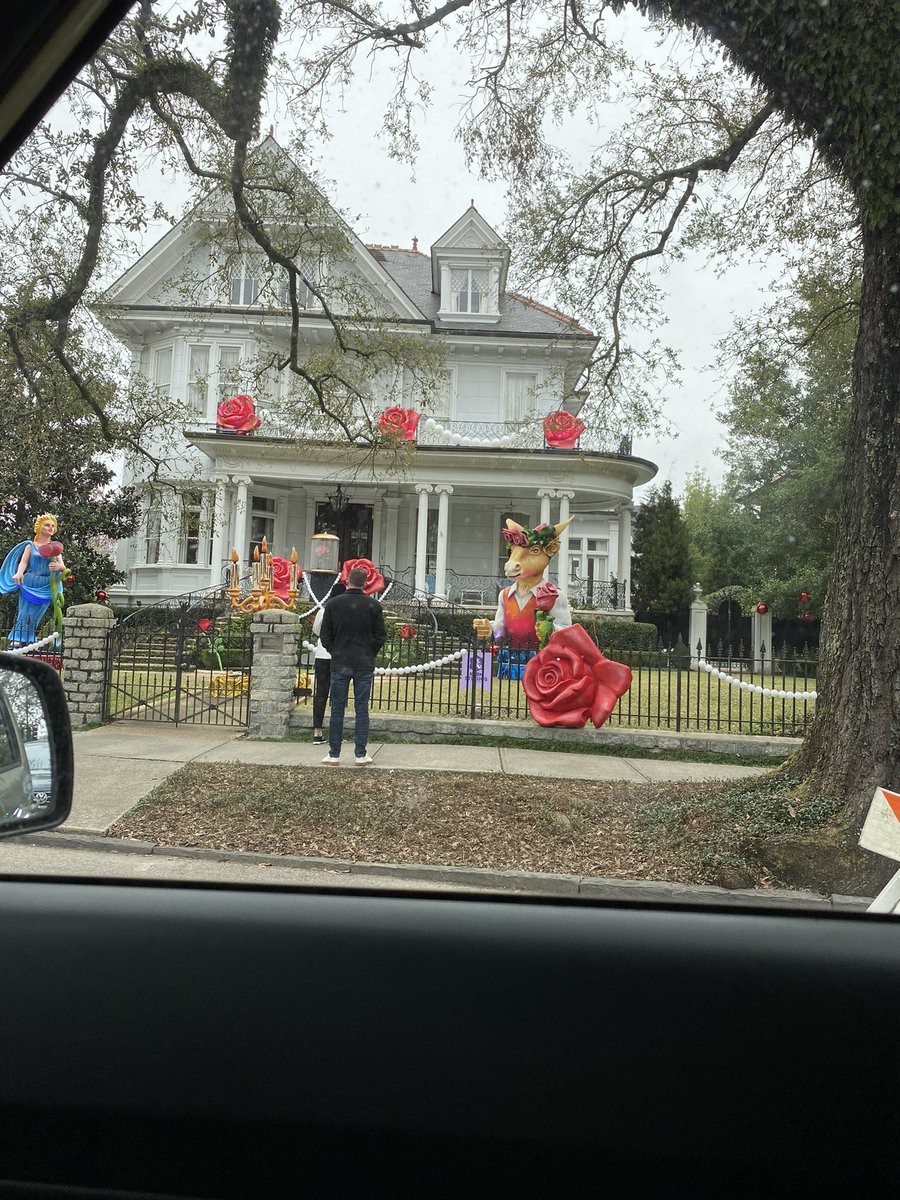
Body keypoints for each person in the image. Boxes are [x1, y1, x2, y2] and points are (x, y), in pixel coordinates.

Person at [319, 565, 386, 766]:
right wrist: (369, 651)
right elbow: (380, 636)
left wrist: (335, 651)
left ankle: (334, 754)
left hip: (340, 662)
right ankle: (360, 754)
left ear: (347, 581)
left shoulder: (333, 604)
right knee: (361, 708)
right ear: (365, 583)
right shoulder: (373, 606)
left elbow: (325, 635)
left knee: (337, 708)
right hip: (364, 662)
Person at [0, 514, 66, 647]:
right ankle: (17, 638)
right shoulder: (31, 546)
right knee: (24, 612)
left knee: (37, 614)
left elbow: (63, 567)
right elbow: (23, 562)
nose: (51, 528)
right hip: (31, 583)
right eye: (47, 525)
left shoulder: (55, 548)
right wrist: (19, 573)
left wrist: (58, 567)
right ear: (39, 527)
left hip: (47, 585)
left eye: (53, 526)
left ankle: (30, 638)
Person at [310, 580, 347, 745]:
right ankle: (336, 732)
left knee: (321, 693)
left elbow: (316, 630)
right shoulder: (346, 611)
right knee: (339, 696)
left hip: (322, 655)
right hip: (340, 656)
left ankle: (317, 731)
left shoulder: (323, 611)